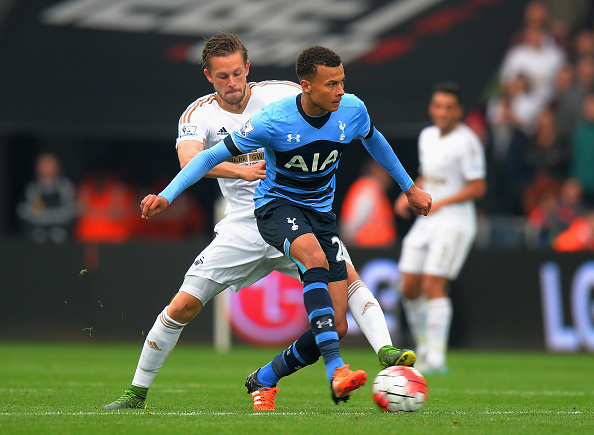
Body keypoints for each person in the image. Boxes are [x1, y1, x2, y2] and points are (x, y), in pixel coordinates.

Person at [105, 35, 426, 411]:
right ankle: (135, 392)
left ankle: (304, 369)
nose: (233, 83)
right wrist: (231, 174)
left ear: (248, 69)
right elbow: (193, 159)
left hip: (302, 214)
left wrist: (408, 186)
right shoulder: (198, 114)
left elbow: (328, 117)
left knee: (343, 306)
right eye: (223, 76)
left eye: (238, 73)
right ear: (209, 76)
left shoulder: (283, 95)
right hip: (243, 224)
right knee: (183, 307)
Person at [394, 83, 486, 375]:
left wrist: (444, 202)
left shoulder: (468, 142)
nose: (442, 112)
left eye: (449, 107)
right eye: (438, 106)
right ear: (432, 108)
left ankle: (436, 357)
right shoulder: (427, 136)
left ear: (458, 111)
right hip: (428, 218)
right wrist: (408, 192)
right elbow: (428, 173)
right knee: (409, 286)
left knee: (434, 285)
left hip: (455, 221)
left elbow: (478, 186)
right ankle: (423, 349)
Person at [16, 152, 79, 243]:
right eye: (44, 164)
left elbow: (72, 210)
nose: (47, 168)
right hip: (38, 234)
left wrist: (56, 219)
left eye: (49, 164)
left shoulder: (66, 187)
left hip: (62, 235)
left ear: (57, 167)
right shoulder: (33, 189)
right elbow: (29, 212)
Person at [339, 158, 397, 247]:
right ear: (376, 172)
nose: (389, 176)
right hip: (366, 247)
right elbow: (355, 219)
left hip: (376, 246)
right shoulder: (367, 188)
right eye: (386, 172)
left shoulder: (375, 190)